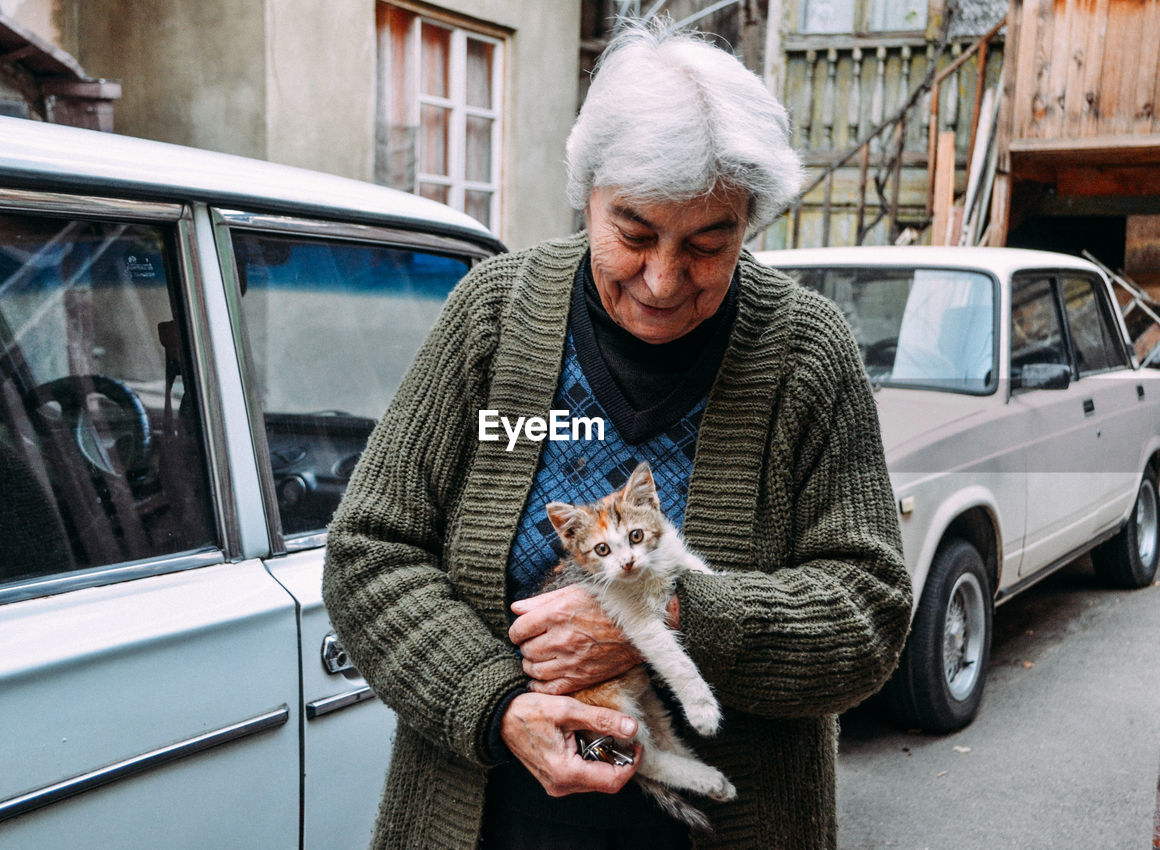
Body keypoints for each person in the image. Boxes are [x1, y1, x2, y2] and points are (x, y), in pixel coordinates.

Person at [322, 18, 911, 850]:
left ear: (750, 221)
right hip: (494, 822)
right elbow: (370, 551)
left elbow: (870, 613)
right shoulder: (494, 319)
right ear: (587, 191)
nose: (664, 280)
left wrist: (668, 611)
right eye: (633, 234)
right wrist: (499, 706)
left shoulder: (803, 355)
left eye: (711, 244)